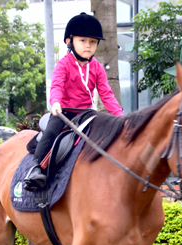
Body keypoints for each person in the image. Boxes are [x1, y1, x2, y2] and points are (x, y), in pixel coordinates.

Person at [23, 12, 123, 192]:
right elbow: (57, 87)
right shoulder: (63, 64)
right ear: (70, 41)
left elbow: (106, 94)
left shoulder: (97, 67)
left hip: (87, 114)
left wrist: (121, 117)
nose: (88, 46)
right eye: (83, 41)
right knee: (51, 131)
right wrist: (55, 103)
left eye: (93, 42)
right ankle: (36, 167)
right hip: (63, 112)